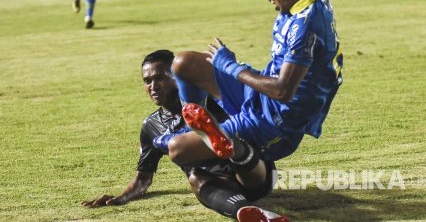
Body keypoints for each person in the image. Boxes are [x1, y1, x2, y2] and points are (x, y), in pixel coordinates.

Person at [165, 0, 343, 170]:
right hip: (260, 97)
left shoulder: (306, 26)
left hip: (275, 124)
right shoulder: (303, 1)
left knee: (176, 148)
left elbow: (282, 91)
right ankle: (202, 129)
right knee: (184, 64)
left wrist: (230, 66)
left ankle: (234, 152)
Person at [81, 50, 288, 221]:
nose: (153, 86)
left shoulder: (210, 100)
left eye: (160, 77)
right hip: (222, 187)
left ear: (177, 78)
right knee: (195, 177)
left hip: (256, 172)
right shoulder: (151, 126)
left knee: (234, 145)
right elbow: (143, 178)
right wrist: (121, 197)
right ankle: (256, 215)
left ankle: (236, 151)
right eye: (147, 81)